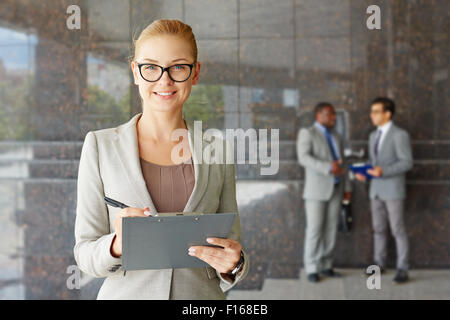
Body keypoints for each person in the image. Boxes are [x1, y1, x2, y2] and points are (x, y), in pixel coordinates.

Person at [73, 19, 249, 299]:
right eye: (151, 67)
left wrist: (235, 264)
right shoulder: (99, 146)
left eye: (178, 66)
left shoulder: (218, 150)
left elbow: (232, 247)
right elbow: (85, 253)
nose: (164, 80)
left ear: (195, 73)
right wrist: (118, 243)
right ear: (135, 72)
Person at [355, 97, 412, 283]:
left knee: (397, 229)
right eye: (371, 111)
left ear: (387, 114)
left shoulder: (399, 135)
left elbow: (407, 162)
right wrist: (366, 173)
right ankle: (378, 265)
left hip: (393, 190)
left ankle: (402, 268)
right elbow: (375, 163)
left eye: (376, 111)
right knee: (378, 229)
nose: (372, 115)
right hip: (376, 190)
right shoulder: (373, 135)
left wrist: (383, 171)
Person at [296, 102, 352, 283]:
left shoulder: (336, 135)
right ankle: (311, 267)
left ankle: (326, 265)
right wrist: (327, 167)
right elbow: (303, 158)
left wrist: (348, 188)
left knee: (330, 230)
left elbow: (343, 163)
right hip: (316, 191)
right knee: (314, 230)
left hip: (337, 188)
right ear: (319, 115)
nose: (334, 117)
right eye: (331, 114)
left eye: (334, 114)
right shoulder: (308, 133)